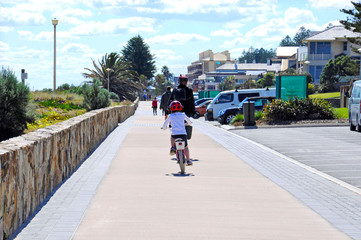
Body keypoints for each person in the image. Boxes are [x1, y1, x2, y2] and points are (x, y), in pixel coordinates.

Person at [161, 100, 192, 165]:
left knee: (172, 137)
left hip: (175, 134)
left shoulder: (170, 116)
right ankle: (188, 160)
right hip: (183, 134)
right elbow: (189, 121)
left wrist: (164, 128)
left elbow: (165, 124)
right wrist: (187, 124)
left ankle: (172, 147)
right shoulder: (183, 115)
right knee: (186, 147)